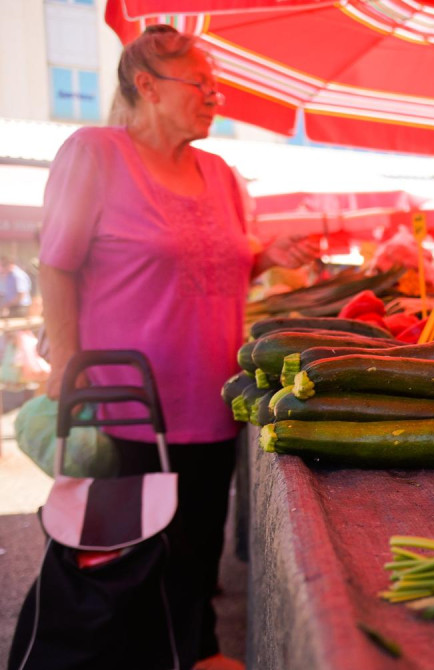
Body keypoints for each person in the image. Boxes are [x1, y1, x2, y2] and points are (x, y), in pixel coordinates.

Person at [39, 24, 318, 670]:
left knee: (195, 543)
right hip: (125, 403)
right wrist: (64, 363)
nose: (215, 98)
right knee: (132, 554)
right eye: (202, 85)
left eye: (216, 88)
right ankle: (186, 654)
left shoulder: (220, 174)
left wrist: (265, 256)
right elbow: (55, 263)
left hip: (212, 401)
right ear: (147, 86)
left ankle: (193, 650)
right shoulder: (95, 154)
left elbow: (216, 266)